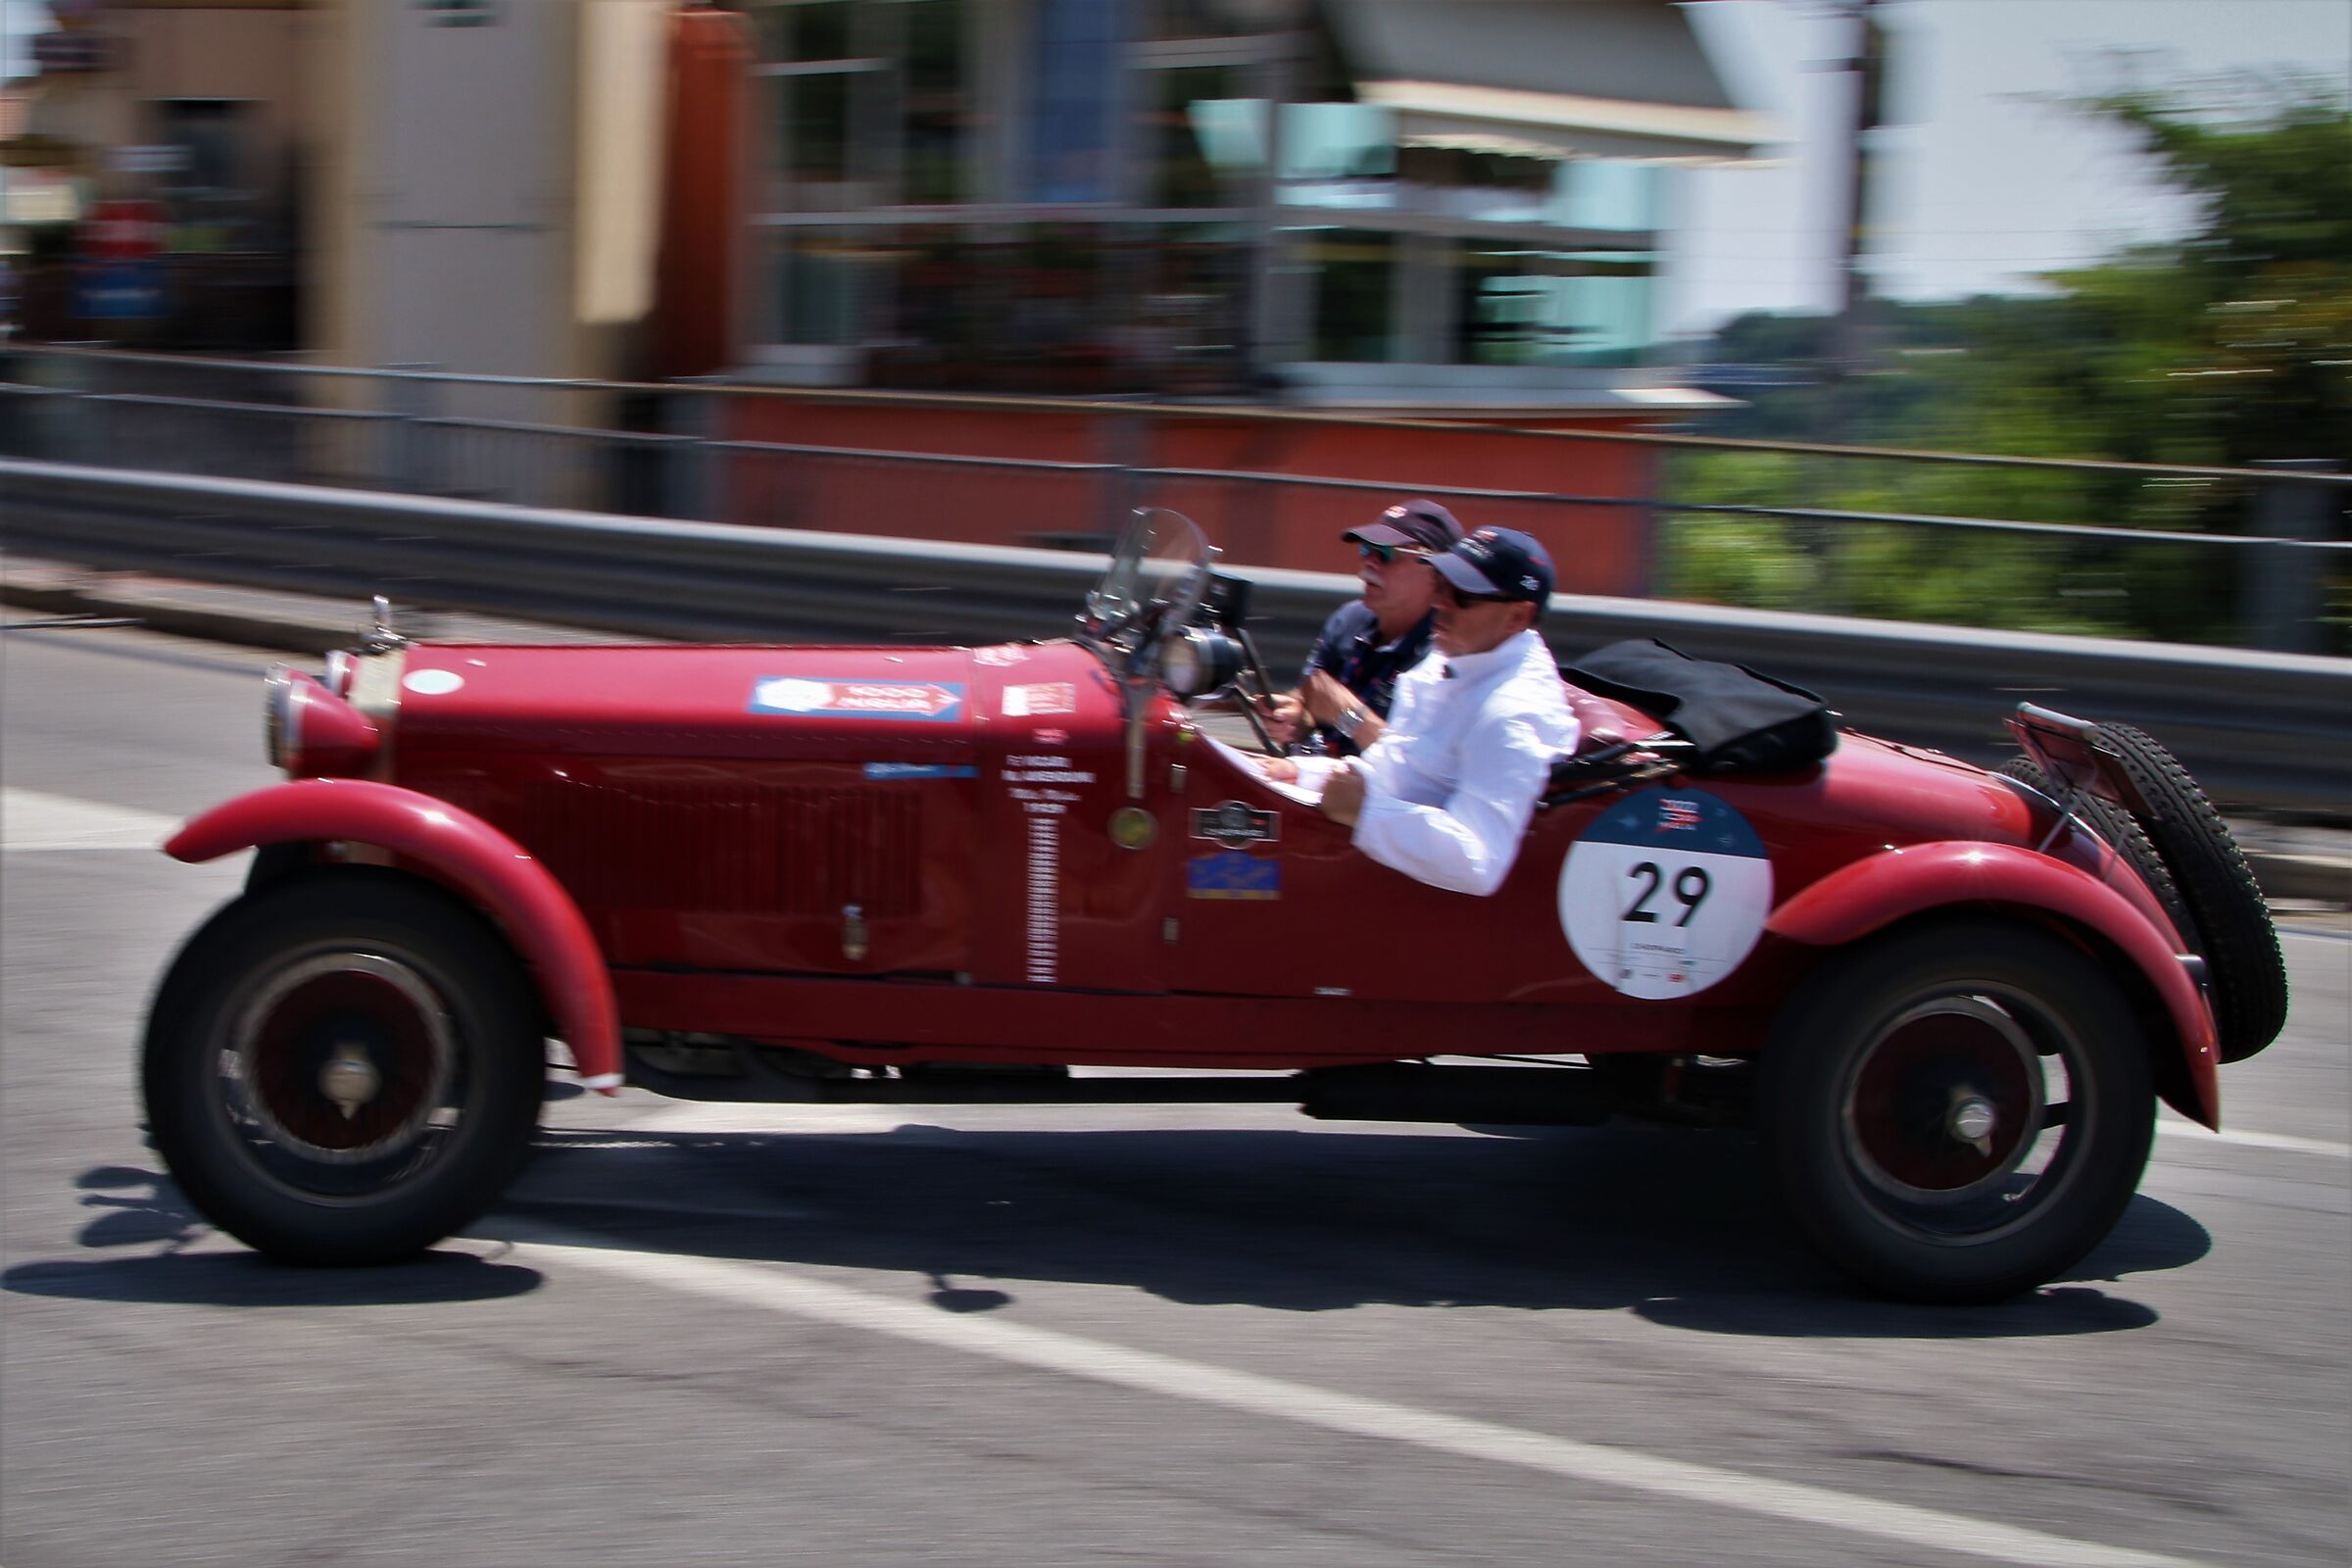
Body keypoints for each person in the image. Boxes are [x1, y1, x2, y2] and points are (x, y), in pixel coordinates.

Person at [1294, 527, 1579, 897]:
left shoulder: (1511, 714)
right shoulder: (1454, 656)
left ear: (1516, 617)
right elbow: (1400, 766)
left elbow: (1478, 861)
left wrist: (1366, 811)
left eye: (1460, 596)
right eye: (1440, 584)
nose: (1439, 603)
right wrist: (1303, 774)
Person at [1262, 498, 1463, 757]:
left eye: (1387, 553)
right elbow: (1311, 697)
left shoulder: (1445, 651)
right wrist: (1296, 714)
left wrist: (1347, 715)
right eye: (1367, 549)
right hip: (1307, 776)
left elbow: (1413, 766)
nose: (1370, 562)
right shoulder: (1349, 619)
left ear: (1436, 571)